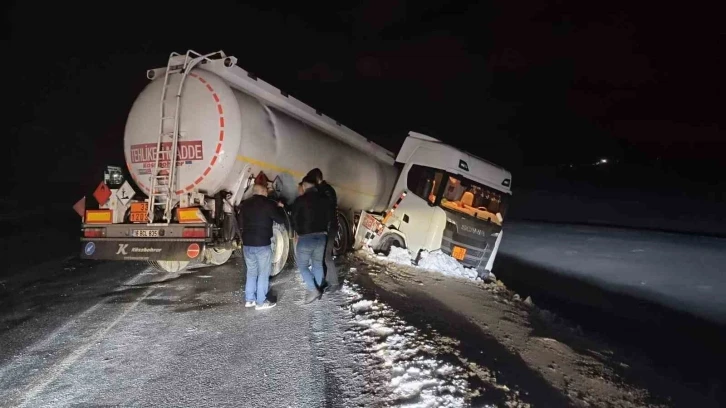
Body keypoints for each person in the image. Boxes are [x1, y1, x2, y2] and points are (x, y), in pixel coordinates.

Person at [237, 183, 285, 310]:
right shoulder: (268, 204)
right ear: (264, 191)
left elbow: (240, 222)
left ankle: (249, 300)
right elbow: (280, 220)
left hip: (247, 244)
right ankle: (261, 302)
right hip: (262, 244)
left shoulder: (245, 205)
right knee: (263, 273)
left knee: (251, 272)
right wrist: (279, 208)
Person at [291, 175, 332, 303]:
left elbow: (294, 218)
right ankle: (318, 291)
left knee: (302, 266)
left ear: (304, 186)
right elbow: (330, 216)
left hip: (306, 238)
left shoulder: (300, 200)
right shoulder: (325, 199)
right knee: (318, 264)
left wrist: (298, 231)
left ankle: (313, 289)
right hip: (321, 236)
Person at [305, 168, 339, 292]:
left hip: (329, 227)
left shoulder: (326, 191)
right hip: (328, 226)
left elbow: (325, 209)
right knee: (323, 256)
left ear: (317, 179)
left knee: (326, 256)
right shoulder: (325, 190)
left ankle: (334, 283)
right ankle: (325, 280)